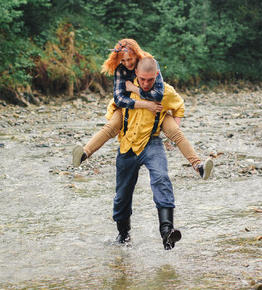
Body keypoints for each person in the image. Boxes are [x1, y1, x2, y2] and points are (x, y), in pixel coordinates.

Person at [71, 39, 213, 180]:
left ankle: (198, 166)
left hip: (156, 110)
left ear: (136, 54)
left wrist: (134, 89)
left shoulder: (150, 63)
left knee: (176, 132)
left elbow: (157, 94)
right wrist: (146, 104)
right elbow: (120, 99)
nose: (127, 63)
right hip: (129, 108)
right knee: (110, 127)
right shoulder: (121, 69)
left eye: (129, 59)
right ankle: (84, 154)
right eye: (123, 60)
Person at [109, 56, 187, 249]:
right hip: (128, 145)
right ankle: (123, 235)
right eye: (142, 79)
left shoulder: (165, 91)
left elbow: (179, 107)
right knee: (122, 195)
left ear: (157, 75)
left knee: (162, 178)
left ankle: (167, 232)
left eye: (150, 80)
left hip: (152, 143)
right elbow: (113, 111)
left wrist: (172, 131)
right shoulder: (125, 89)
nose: (145, 83)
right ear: (136, 73)